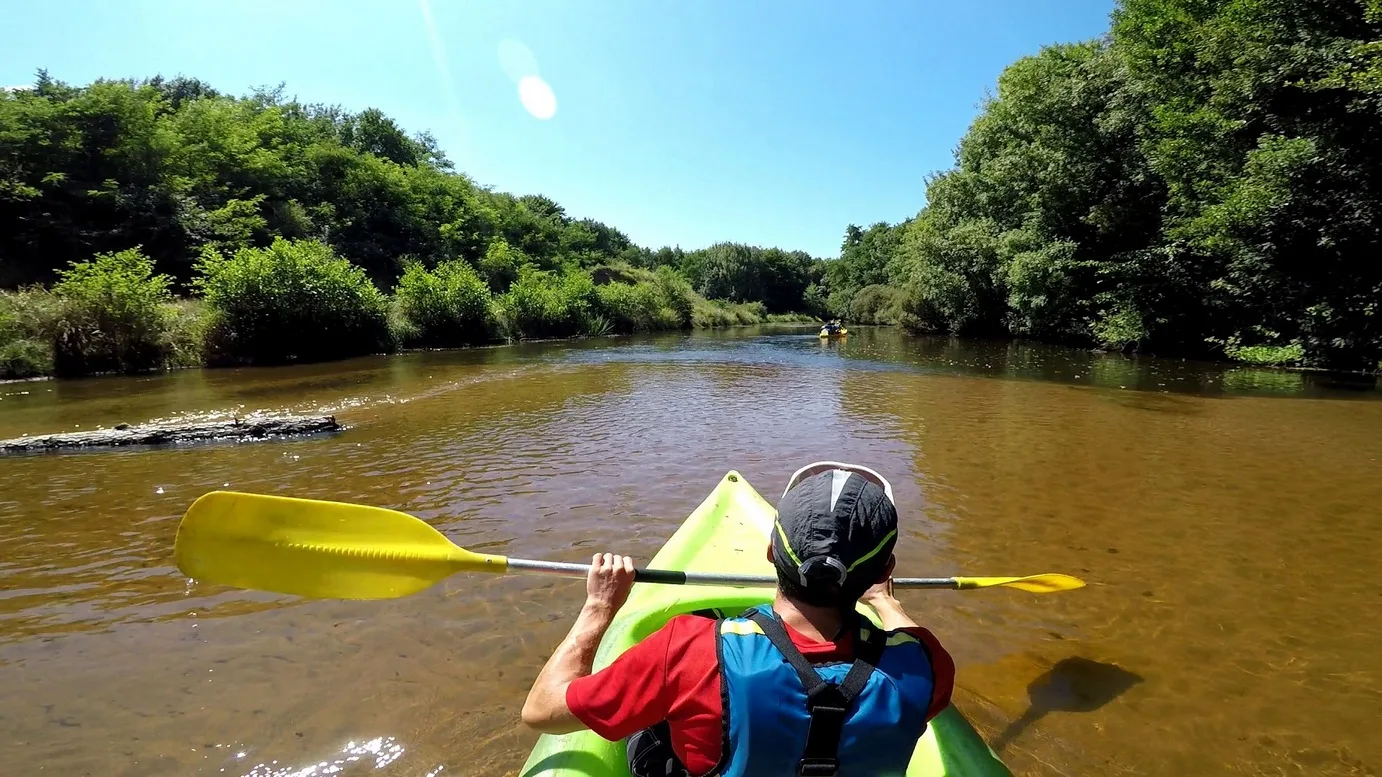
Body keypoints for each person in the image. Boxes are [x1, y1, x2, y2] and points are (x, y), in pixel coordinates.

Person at [521, 463, 955, 777]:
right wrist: (885, 603)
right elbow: (906, 637)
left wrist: (599, 607)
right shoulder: (928, 664)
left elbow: (542, 711)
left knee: (655, 719)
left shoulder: (689, 650)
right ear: (884, 572)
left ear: (770, 553)